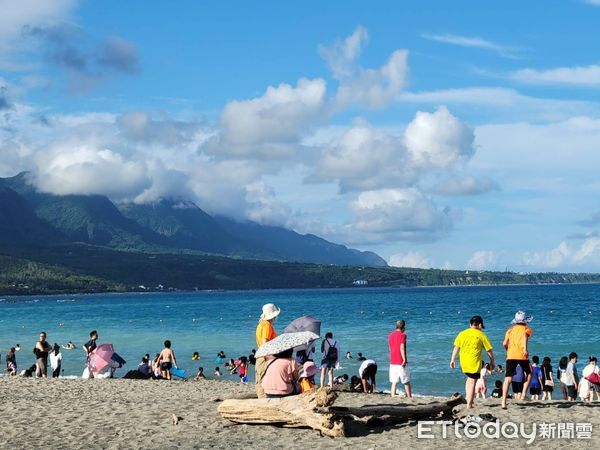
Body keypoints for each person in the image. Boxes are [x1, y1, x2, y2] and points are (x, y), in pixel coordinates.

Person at [450, 315, 495, 409]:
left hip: (464, 362)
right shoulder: (481, 335)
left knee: (469, 380)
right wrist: (492, 361)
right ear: (480, 325)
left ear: (470, 324)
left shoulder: (462, 333)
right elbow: (489, 350)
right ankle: (469, 404)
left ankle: (467, 398)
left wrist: (453, 359)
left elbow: (456, 347)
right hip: (474, 363)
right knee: (472, 382)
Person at [501, 311, 533, 409]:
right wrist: (525, 349)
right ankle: (523, 394)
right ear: (525, 321)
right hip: (522, 355)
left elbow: (504, 343)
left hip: (511, 355)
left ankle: (503, 402)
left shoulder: (510, 330)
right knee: (529, 373)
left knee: (508, 378)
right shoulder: (527, 329)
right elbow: (524, 336)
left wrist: (508, 351)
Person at [255, 303, 280, 398]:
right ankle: (263, 401)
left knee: (260, 380)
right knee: (263, 380)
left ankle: (262, 399)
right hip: (265, 355)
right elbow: (265, 341)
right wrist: (269, 356)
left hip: (261, 354)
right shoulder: (267, 325)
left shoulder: (261, 324)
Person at [389, 320, 412, 398]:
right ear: (403, 327)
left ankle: (393, 394)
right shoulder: (403, 335)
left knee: (394, 381)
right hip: (400, 361)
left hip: (392, 360)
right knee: (406, 381)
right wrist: (404, 359)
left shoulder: (390, 335)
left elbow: (390, 348)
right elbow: (402, 347)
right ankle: (409, 396)